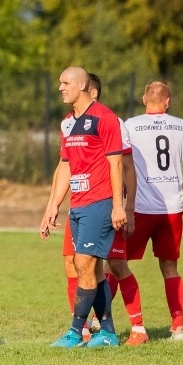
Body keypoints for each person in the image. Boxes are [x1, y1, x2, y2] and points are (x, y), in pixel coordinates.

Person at [46, 73, 140, 344]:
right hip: (77, 204)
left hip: (99, 203)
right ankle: (109, 334)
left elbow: (117, 164)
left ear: (83, 85)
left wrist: (118, 207)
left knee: (84, 264)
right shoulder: (66, 123)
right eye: (60, 82)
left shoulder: (105, 118)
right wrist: (54, 205)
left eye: (65, 83)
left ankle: (76, 332)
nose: (60, 87)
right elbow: (65, 166)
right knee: (93, 269)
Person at [124, 80, 183, 340]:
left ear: (143, 99)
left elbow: (119, 164)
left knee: (115, 264)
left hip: (139, 208)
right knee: (170, 267)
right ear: (168, 101)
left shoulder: (131, 125)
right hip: (171, 209)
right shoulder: (179, 125)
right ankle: (178, 328)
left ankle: (98, 321)